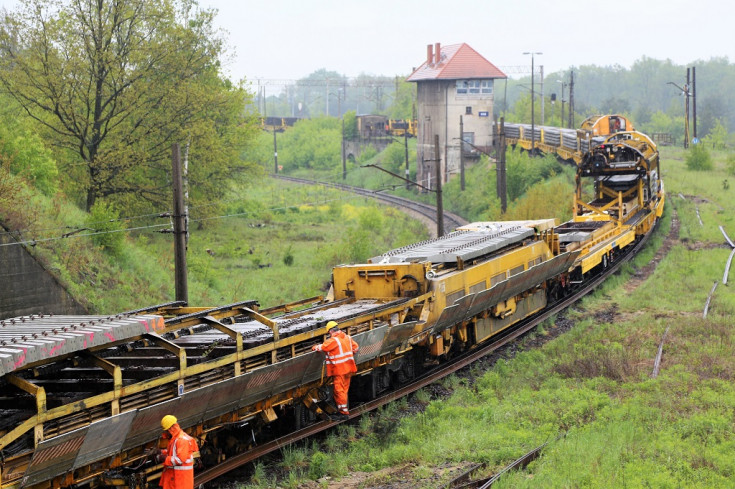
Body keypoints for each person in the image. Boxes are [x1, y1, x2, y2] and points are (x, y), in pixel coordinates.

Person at [311, 321, 359, 419]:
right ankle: (344, 411)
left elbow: (322, 347)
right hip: (349, 369)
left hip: (340, 371)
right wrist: (348, 356)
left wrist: (314, 347)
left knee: (339, 391)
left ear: (330, 331)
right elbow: (356, 348)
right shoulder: (347, 338)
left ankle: (343, 413)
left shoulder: (334, 341)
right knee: (344, 390)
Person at [156, 415, 200, 489]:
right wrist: (160, 452)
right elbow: (172, 452)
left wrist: (163, 458)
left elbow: (179, 459)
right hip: (177, 478)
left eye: (166, 430)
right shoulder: (176, 439)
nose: (165, 432)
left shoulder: (181, 440)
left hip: (180, 480)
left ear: (171, 429)